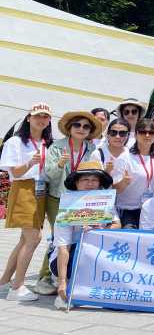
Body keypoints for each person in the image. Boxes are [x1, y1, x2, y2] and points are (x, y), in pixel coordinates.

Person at [39, 110, 100, 294]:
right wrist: (60, 165)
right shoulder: (57, 147)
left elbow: (96, 173)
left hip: (81, 198)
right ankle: (45, 277)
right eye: (77, 125)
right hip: (58, 197)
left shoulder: (91, 149)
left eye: (86, 126)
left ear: (89, 131)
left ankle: (67, 276)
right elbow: (48, 174)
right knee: (56, 237)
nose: (81, 129)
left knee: (76, 235)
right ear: (69, 127)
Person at [0, 103, 53, 302]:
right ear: (29, 118)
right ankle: (17, 287)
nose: (41, 119)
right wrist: (31, 162)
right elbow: (14, 172)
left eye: (45, 116)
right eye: (37, 115)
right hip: (23, 188)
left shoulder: (47, 143)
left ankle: (5, 280)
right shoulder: (16, 142)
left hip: (41, 191)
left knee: (25, 239)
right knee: (34, 238)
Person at [50, 160, 120, 308]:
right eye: (85, 179)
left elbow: (117, 224)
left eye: (94, 180)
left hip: (97, 250)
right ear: (76, 183)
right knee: (78, 253)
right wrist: (62, 281)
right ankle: (65, 288)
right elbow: (64, 247)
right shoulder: (67, 207)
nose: (90, 183)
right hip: (69, 255)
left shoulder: (105, 201)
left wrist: (100, 232)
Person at [113, 118, 154, 229]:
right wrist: (124, 182)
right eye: (142, 132)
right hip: (129, 210)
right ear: (136, 135)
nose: (147, 135)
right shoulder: (125, 157)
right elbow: (115, 189)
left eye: (151, 132)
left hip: (152, 208)